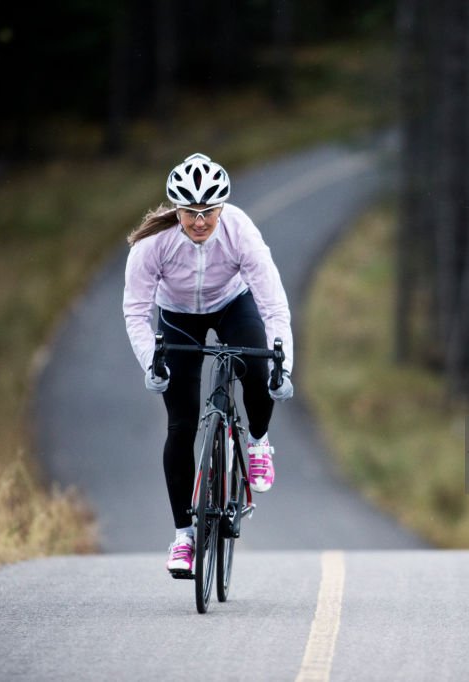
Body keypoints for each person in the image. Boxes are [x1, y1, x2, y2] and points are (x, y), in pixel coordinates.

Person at [122, 152, 294, 576]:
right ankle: (183, 537)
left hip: (232, 305)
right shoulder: (152, 244)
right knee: (181, 426)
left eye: (208, 212)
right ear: (175, 209)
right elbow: (135, 309)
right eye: (189, 212)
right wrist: (152, 363)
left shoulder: (241, 233)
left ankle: (257, 441)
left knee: (257, 367)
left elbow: (273, 306)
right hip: (177, 317)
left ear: (222, 208)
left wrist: (282, 366)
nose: (199, 221)